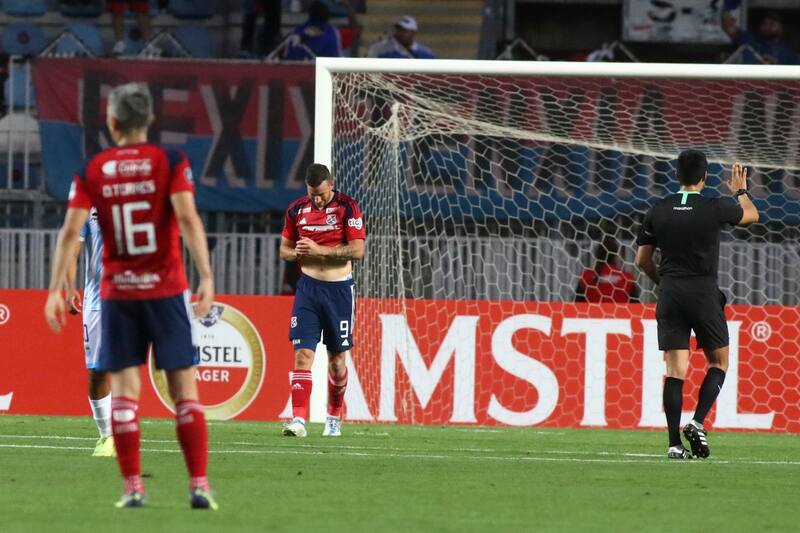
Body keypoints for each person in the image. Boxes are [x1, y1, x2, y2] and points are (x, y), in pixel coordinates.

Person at [44, 83, 218, 510]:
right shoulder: (171, 160)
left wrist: (54, 288)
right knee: (184, 391)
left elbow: (70, 232)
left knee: (126, 392)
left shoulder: (92, 169)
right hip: (167, 289)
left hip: (117, 293)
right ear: (151, 121)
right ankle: (198, 485)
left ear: (113, 121)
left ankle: (134, 488)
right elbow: (189, 218)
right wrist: (207, 276)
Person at [635, 150, 759, 460]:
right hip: (703, 292)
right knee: (718, 363)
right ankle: (698, 421)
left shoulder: (658, 210)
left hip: (671, 292)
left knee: (675, 372)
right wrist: (740, 191)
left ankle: (674, 444)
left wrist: (663, 283)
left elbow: (642, 260)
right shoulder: (714, 207)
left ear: (678, 176)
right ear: (704, 177)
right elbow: (752, 215)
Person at [279, 163, 366, 438]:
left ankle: (333, 417)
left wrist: (320, 250)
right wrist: (297, 254)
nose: (317, 199)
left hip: (339, 291)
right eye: (312, 193)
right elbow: (284, 249)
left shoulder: (348, 207)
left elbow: (358, 250)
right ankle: (298, 421)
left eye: (321, 194)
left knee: (336, 360)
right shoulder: (296, 210)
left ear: (331, 184)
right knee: (302, 354)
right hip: (308, 289)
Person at [64, 207, 115, 457]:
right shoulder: (88, 201)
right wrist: (69, 285)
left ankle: (122, 432)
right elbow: (74, 244)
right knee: (97, 371)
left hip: (132, 297)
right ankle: (107, 436)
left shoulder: (139, 193)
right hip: (96, 302)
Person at [575, 237, 638, 303]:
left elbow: (577, 305)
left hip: (593, 313)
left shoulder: (586, 277)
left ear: (597, 255)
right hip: (620, 313)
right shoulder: (627, 278)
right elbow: (636, 308)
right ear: (616, 255)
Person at [721, 10, 797, 65]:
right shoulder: (750, 39)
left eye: (772, 24)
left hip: (774, 84)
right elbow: (729, 28)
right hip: (747, 82)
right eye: (765, 23)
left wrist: (776, 64)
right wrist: (728, 9)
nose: (767, 27)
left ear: (781, 28)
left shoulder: (788, 51)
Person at [367, 16, 435, 59]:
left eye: (405, 30)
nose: (401, 33)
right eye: (399, 29)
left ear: (413, 32)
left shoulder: (425, 52)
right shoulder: (381, 48)